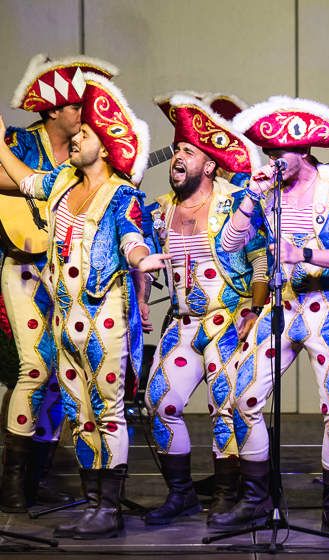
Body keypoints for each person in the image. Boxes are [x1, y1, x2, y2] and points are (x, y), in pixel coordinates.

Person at [0, 73, 167, 538]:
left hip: (104, 320)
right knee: (78, 414)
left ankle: (108, 508)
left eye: (86, 134)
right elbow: (24, 179)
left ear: (107, 146)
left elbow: (132, 238)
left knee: (107, 409)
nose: (76, 138)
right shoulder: (58, 185)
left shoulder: (122, 197)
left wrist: (141, 257)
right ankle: (93, 503)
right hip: (63, 321)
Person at [212, 96, 329, 535]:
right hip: (282, 306)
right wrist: (252, 198)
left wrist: (303, 252)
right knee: (244, 397)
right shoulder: (262, 191)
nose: (274, 160)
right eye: (269, 152)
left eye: (281, 153)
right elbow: (228, 245)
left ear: (304, 152)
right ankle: (256, 500)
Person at [0, 54, 117, 512]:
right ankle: (11, 481)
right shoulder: (21, 143)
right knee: (35, 368)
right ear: (52, 111)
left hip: (67, 273)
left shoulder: (81, 153)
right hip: (26, 265)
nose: (82, 116)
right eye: (74, 108)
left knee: (60, 373)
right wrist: (41, 187)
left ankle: (37, 476)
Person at [143, 93, 267, 526]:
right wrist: (141, 298)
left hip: (228, 320)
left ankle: (228, 494)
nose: (177, 158)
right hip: (181, 323)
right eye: (176, 150)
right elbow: (138, 253)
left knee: (225, 405)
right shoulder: (161, 207)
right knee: (160, 402)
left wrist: (255, 310)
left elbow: (260, 259)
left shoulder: (236, 202)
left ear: (210, 165)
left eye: (188, 152)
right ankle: (182, 495)